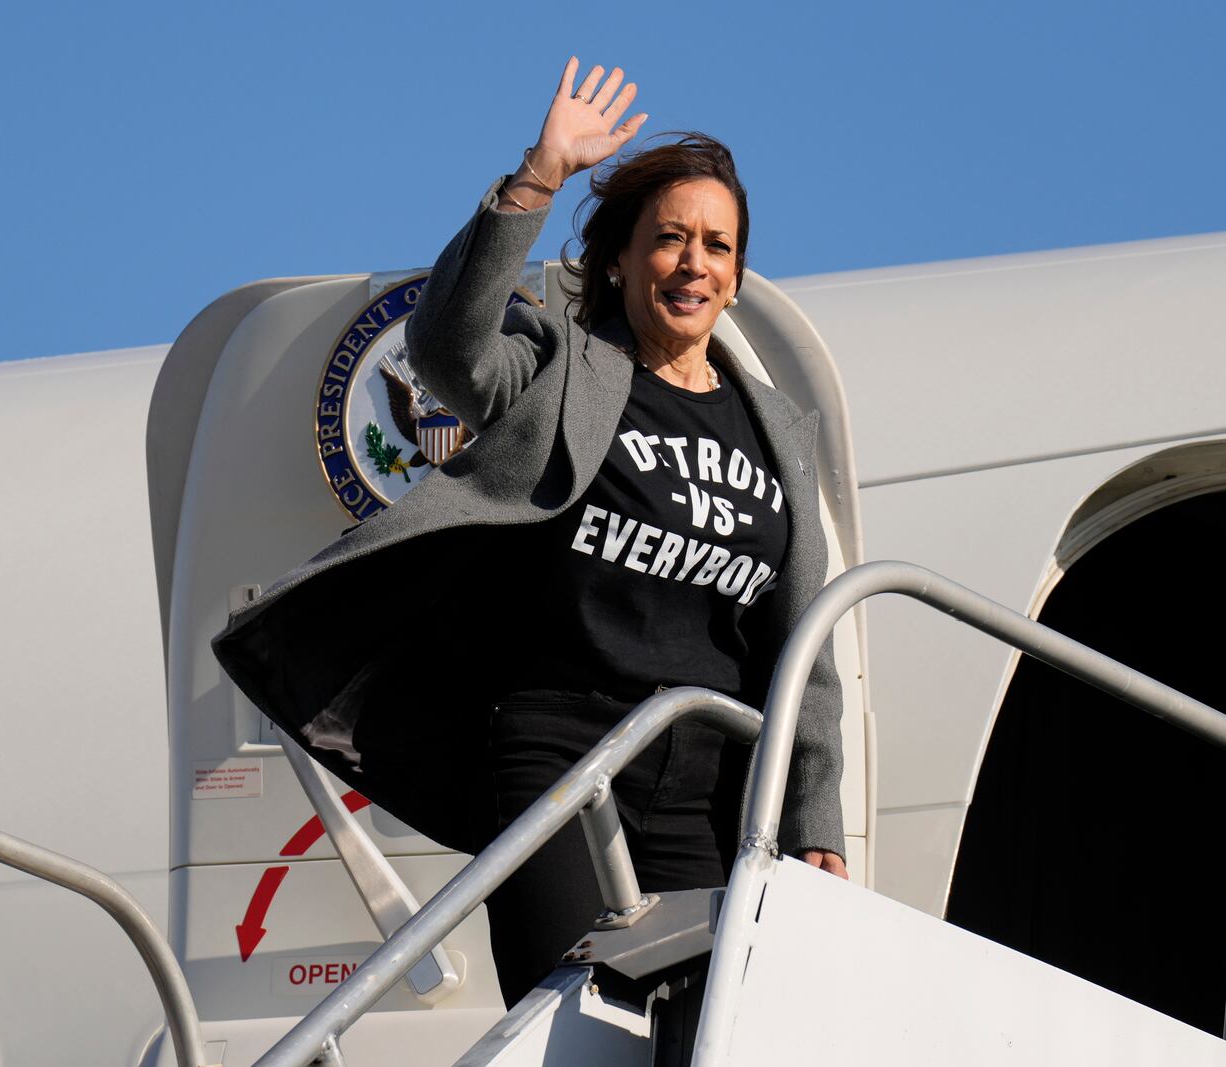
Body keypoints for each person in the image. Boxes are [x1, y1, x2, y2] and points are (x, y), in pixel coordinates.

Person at [212, 57, 847, 1007]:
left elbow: (806, 652)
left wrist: (815, 822)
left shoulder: (778, 435)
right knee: (578, 1015)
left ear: (738, 274)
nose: (693, 263)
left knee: (712, 1030)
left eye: (716, 245)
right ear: (622, 260)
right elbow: (447, 349)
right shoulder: (566, 372)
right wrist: (539, 175)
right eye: (669, 239)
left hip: (710, 784)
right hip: (569, 752)